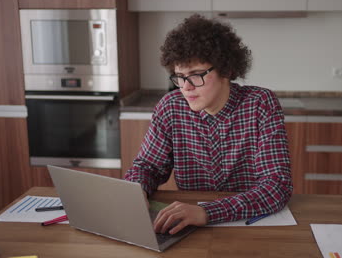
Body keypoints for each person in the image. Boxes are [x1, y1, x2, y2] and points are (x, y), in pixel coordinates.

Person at [124, 14, 293, 235]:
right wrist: (136, 192)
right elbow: (148, 167)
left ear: (226, 69)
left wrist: (207, 212)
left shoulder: (260, 104)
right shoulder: (170, 107)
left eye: (195, 75)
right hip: (189, 229)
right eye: (179, 76)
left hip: (249, 226)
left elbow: (276, 186)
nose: (186, 87)